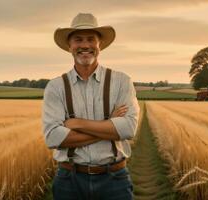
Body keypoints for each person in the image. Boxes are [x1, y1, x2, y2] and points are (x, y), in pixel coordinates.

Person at [42, 13, 140, 200]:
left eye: (91, 39)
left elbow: (128, 129)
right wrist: (109, 125)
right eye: (78, 40)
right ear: (69, 46)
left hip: (114, 179)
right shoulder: (55, 87)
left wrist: (76, 123)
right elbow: (53, 138)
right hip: (69, 180)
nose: (85, 45)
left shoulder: (122, 82)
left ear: (99, 45)